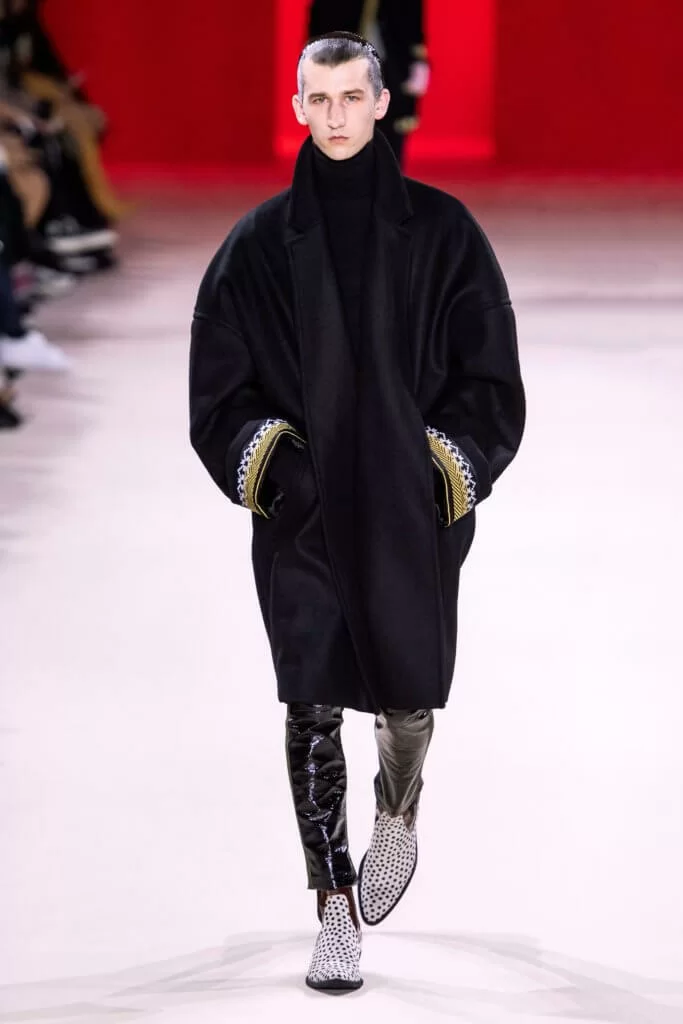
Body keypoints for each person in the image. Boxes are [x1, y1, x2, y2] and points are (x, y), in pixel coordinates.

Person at [189, 32, 525, 993]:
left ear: (381, 103)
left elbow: (489, 378)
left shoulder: (445, 232)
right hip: (301, 510)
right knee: (309, 700)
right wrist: (280, 473)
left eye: (350, 97)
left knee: (406, 695)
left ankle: (398, 810)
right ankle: (333, 903)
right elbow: (217, 388)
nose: (333, 116)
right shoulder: (256, 245)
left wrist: (440, 472)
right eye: (317, 98)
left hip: (410, 509)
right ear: (297, 106)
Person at [307, 0, 430, 166]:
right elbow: (323, 14)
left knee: (390, 127)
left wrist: (417, 60)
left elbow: (411, 15)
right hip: (342, 58)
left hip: (392, 61)